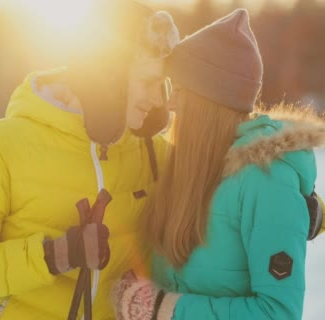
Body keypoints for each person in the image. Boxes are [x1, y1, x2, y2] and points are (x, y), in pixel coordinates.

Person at [0, 1, 181, 319]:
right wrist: (56, 254)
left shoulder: (154, 155)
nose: (159, 100)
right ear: (110, 76)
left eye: (164, 85)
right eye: (149, 82)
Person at [112, 8, 325, 320]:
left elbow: (279, 313)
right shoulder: (184, 164)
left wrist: (167, 310)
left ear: (205, 102)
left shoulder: (265, 179)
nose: (169, 103)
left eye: (179, 90)